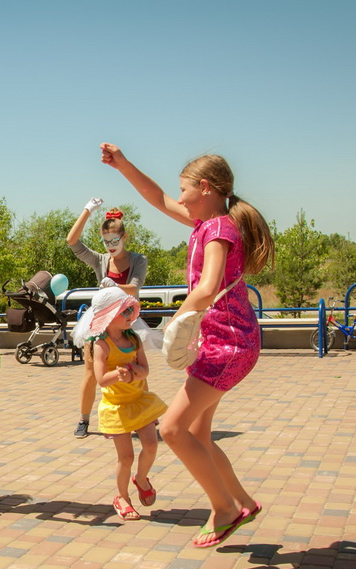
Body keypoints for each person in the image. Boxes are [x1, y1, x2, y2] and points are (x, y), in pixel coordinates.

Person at [102, 144, 270, 548]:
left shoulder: (218, 230)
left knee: (173, 429)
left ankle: (224, 509)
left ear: (205, 188)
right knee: (197, 433)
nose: (179, 197)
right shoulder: (208, 223)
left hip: (228, 344)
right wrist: (123, 164)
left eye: (184, 189)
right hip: (220, 342)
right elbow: (157, 197)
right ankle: (243, 503)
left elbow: (208, 288)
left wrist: (174, 323)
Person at [73, 288, 166, 520]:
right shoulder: (101, 344)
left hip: (139, 401)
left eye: (131, 310)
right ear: (109, 314)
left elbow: (145, 369)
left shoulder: (134, 339)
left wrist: (136, 373)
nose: (130, 315)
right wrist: (119, 373)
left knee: (151, 445)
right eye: (124, 311)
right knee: (126, 458)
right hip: (116, 407)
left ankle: (141, 478)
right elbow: (101, 379)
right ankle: (122, 497)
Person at [66, 199, 148, 438]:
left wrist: (113, 285)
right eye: (106, 241)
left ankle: (145, 414)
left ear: (124, 237)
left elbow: (134, 287)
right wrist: (87, 211)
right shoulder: (100, 260)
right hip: (100, 321)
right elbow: (72, 241)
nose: (110, 246)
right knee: (91, 372)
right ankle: (83, 420)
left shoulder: (138, 260)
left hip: (126, 318)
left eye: (115, 241)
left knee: (137, 367)